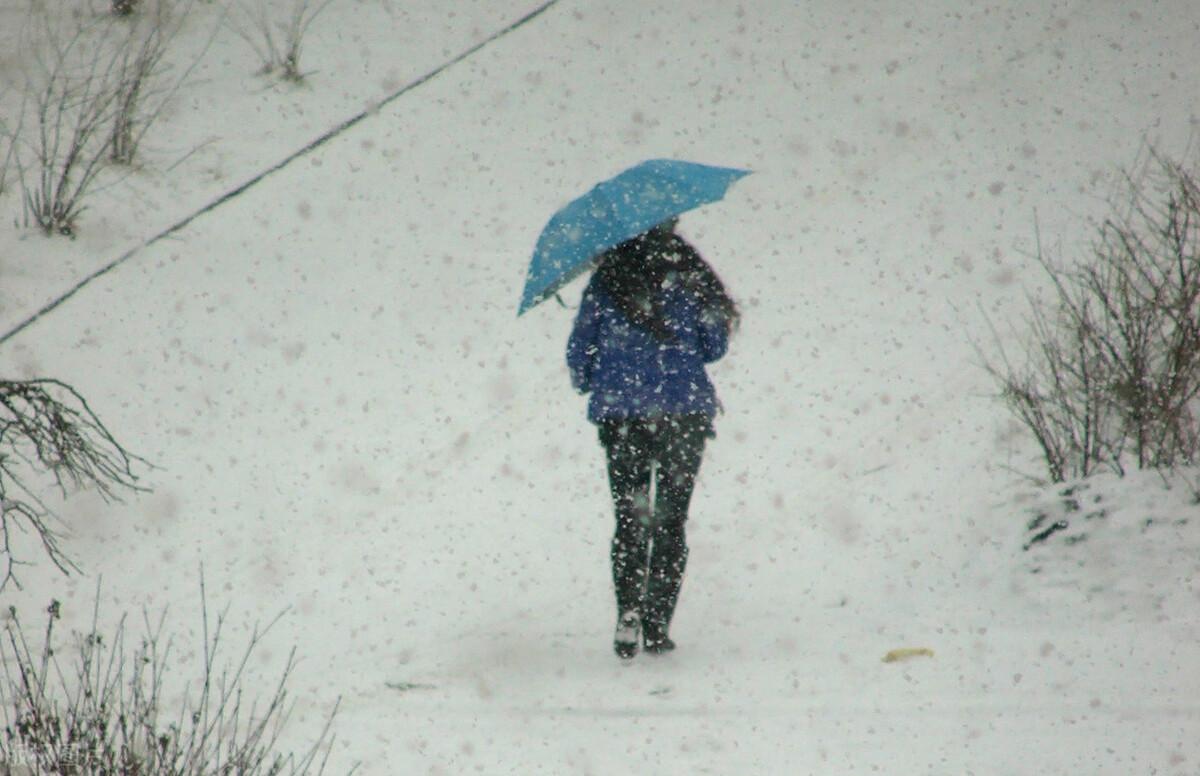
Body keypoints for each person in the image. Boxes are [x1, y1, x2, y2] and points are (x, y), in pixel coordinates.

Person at [566, 217, 738, 659]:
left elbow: (579, 350)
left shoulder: (607, 282)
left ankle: (628, 612)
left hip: (624, 416)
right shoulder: (687, 272)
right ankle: (658, 624)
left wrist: (593, 380)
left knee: (630, 517)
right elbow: (713, 344)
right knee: (670, 519)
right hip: (682, 413)